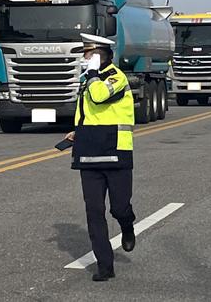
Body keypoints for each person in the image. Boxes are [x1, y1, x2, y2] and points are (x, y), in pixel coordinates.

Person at [65, 33, 136, 282]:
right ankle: (105, 265)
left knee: (119, 208)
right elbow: (87, 112)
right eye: (85, 54)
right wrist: (79, 131)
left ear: (101, 55)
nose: (85, 58)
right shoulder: (88, 81)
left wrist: (93, 74)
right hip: (89, 153)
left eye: (89, 54)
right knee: (94, 211)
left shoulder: (117, 78)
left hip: (116, 151)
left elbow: (99, 96)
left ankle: (127, 226)